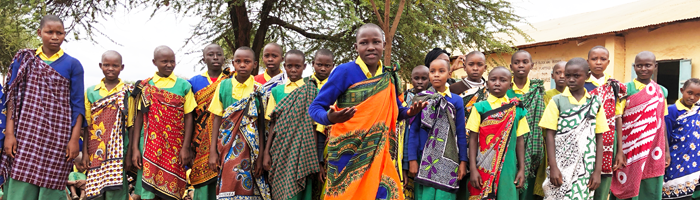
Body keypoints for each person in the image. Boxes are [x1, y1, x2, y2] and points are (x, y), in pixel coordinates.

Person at [308, 23, 426, 200]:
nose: (371, 47)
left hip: (380, 152)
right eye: (364, 43)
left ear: (384, 45)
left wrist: (409, 113)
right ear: (356, 47)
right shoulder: (344, 71)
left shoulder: (389, 76)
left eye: (376, 42)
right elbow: (315, 108)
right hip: (346, 154)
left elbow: (396, 111)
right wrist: (329, 117)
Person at [2, 15, 86, 200]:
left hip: (58, 138)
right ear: (40, 33)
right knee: (21, 184)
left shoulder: (73, 65)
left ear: (65, 34)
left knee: (52, 185)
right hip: (25, 135)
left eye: (59, 33)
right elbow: (12, 99)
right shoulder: (24, 60)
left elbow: (78, 105)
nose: (55, 36)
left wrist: (74, 140)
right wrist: (9, 134)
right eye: (49, 32)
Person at [130, 46, 195, 200]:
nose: (169, 65)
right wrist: (135, 148)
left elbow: (189, 117)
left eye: (172, 61)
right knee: (148, 192)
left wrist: (186, 147)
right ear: (155, 62)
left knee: (171, 192)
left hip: (175, 146)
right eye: (164, 61)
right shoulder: (146, 87)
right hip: (150, 146)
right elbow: (139, 118)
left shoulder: (184, 86)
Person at [207, 46, 271, 200]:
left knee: (250, 188)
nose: (242, 65)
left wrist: (261, 155)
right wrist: (212, 152)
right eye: (238, 61)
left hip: (251, 151)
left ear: (255, 64)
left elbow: (262, 125)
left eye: (247, 62)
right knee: (227, 184)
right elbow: (217, 118)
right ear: (233, 63)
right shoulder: (223, 86)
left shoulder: (259, 89)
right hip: (226, 147)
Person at [539, 58, 607, 199]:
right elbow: (549, 135)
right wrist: (553, 167)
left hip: (586, 165)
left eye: (576, 76)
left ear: (587, 76)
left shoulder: (595, 103)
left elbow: (599, 137)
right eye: (567, 75)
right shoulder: (557, 101)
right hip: (560, 163)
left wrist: (597, 171)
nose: (570, 79)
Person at [611, 51, 670, 200]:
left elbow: (661, 122)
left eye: (648, 65)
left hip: (653, 147)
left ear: (655, 66)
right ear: (634, 67)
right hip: (629, 146)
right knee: (627, 182)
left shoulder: (661, 91)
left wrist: (666, 151)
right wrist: (619, 151)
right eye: (639, 65)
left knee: (650, 183)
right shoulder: (626, 89)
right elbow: (618, 118)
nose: (643, 69)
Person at [407, 59, 468, 199]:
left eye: (441, 71)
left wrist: (463, 162)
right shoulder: (420, 99)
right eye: (432, 71)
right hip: (424, 161)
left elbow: (460, 133)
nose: (436, 75)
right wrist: (412, 159)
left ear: (449, 73)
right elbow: (413, 130)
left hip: (448, 162)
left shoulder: (456, 100)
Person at [262, 49, 317, 200]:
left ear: (304, 67)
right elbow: (272, 125)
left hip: (302, 149)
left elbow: (313, 125)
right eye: (289, 66)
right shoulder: (276, 91)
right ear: (284, 66)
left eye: (297, 66)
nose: (293, 70)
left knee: (301, 191)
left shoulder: (311, 91)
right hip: (279, 149)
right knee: (280, 188)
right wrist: (266, 152)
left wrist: (313, 156)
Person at [467, 66, 528, 199]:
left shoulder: (517, 109)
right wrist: (472, 169)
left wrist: (522, 169)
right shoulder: (479, 108)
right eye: (493, 79)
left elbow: (520, 140)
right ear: (487, 83)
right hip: (483, 164)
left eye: (503, 80)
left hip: (509, 164)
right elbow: (472, 139)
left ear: (510, 85)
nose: (497, 83)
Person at [82, 50, 134, 200]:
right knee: (96, 192)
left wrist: (129, 153)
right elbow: (87, 125)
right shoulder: (91, 92)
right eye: (107, 65)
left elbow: (131, 124)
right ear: (101, 66)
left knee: (116, 192)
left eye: (115, 65)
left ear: (121, 67)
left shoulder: (127, 92)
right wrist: (85, 153)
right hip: (94, 150)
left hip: (118, 151)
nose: (110, 68)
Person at [187, 44, 232, 200]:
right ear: (203, 58)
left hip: (227, 137)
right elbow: (190, 115)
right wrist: (190, 147)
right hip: (200, 141)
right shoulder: (194, 82)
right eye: (210, 54)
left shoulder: (231, 80)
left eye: (218, 54)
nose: (215, 58)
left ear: (223, 58)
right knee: (203, 184)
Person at [584, 46, 627, 200]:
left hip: (609, 143)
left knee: (602, 190)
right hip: (584, 140)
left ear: (608, 62)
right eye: (594, 59)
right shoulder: (581, 84)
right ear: (587, 61)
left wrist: (620, 150)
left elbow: (618, 117)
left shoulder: (615, 86)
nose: (598, 62)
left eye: (603, 59)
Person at [446, 51, 489, 200]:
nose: (475, 68)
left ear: (485, 67)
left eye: (479, 65)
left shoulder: (491, 89)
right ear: (464, 67)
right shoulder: (454, 89)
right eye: (471, 64)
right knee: (459, 183)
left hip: (483, 145)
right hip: (459, 143)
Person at [506, 50, 545, 199]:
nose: (520, 65)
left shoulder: (538, 91)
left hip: (532, 148)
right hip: (508, 147)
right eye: (516, 62)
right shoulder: (504, 90)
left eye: (525, 62)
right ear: (511, 66)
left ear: (532, 65)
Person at [533, 60, 567, 198]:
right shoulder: (546, 95)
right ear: (552, 76)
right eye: (558, 73)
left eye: (566, 73)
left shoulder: (575, 95)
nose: (562, 76)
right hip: (549, 141)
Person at [662, 78, 700, 200]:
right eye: (689, 92)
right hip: (675, 159)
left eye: (698, 95)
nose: (693, 97)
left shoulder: (697, 110)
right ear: (682, 90)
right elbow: (665, 135)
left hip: (694, 161)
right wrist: (665, 154)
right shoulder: (671, 111)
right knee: (674, 193)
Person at [401, 65, 430, 200]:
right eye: (416, 78)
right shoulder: (404, 99)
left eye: (423, 78)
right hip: (408, 149)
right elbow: (408, 131)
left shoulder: (433, 98)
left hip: (426, 152)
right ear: (410, 79)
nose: (419, 81)